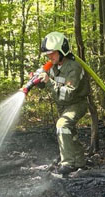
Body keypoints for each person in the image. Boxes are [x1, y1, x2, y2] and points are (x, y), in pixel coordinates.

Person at [29, 31, 89, 175]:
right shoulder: (53, 66)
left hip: (76, 104)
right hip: (62, 106)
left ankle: (67, 164)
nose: (50, 57)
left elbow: (67, 94)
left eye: (53, 54)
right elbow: (45, 84)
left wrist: (49, 82)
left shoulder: (73, 67)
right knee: (69, 133)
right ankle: (79, 162)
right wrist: (36, 80)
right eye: (48, 55)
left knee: (62, 125)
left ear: (62, 51)